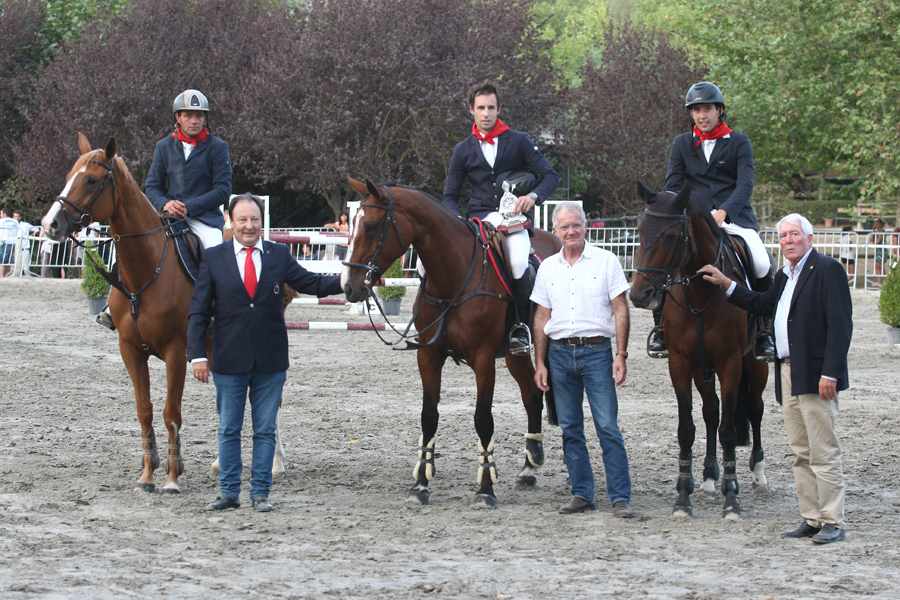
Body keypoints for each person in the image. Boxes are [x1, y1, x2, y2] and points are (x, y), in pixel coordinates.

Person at [698, 213, 852, 544]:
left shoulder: (827, 270)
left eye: (794, 235)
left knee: (823, 450)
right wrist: (727, 284)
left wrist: (831, 372)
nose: (788, 241)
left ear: (809, 238)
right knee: (800, 451)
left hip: (816, 373)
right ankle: (811, 518)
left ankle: (833, 520)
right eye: (783, 237)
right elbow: (762, 303)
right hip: (786, 370)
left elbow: (841, 327)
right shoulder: (784, 275)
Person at [188, 193, 343, 512]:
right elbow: (199, 311)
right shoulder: (214, 258)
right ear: (230, 222)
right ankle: (229, 493)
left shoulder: (278, 254)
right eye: (242, 219)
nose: (249, 225)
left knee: (265, 429)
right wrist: (197, 355)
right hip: (228, 358)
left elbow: (311, 282)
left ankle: (260, 494)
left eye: (255, 219)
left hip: (270, 360)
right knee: (228, 428)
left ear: (262, 222)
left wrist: (347, 281)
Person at [651, 81, 775, 360]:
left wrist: (724, 212)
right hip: (694, 222)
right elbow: (672, 185)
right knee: (665, 258)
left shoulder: (739, 141)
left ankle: (764, 331)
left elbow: (745, 185)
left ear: (719, 110)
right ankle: (660, 327)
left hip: (733, 218)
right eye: (696, 110)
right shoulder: (682, 143)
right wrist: (672, 211)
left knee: (761, 261)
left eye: (707, 109)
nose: (701, 115)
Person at [441, 80, 560, 355]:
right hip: (478, 221)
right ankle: (436, 324)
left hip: (512, 219)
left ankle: (520, 327)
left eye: (491, 107)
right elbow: (450, 195)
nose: (486, 113)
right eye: (480, 108)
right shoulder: (463, 149)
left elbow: (550, 175)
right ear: (471, 110)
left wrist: (533, 198)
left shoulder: (518, 140)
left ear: (499, 109)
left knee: (519, 263)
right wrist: (455, 218)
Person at [97, 89, 232, 330]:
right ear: (178, 117)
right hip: (168, 216)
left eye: (200, 116)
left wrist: (188, 207)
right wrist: (164, 204)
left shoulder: (217, 147)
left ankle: (216, 309)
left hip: (204, 219)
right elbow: (152, 186)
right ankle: (112, 304)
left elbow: (222, 190)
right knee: (134, 246)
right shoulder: (164, 146)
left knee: (214, 250)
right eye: (189, 115)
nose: (195, 120)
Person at [531, 201, 634, 518]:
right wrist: (540, 362)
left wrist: (621, 354)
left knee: (607, 427)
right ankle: (582, 494)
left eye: (575, 224)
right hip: (560, 355)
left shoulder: (606, 261)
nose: (571, 231)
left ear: (585, 226)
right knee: (571, 428)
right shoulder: (547, 267)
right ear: (555, 231)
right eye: (564, 227)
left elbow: (621, 309)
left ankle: (620, 497)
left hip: (597, 353)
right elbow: (541, 317)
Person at [0, 207, 18, 278]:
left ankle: (1, 276)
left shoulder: (1, 221)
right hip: (14, 242)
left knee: (2, 262)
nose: (0, 215)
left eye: (1, 213)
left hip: (5, 242)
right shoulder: (15, 221)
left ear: (4, 214)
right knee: (12, 261)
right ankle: (12, 276)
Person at [869, 218, 887, 285]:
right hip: (878, 250)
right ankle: (880, 281)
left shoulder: (882, 231)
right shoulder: (876, 232)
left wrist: (875, 242)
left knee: (880, 266)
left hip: (882, 250)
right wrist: (873, 231)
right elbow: (871, 239)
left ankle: (884, 281)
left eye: (877, 224)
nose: (876, 225)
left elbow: (878, 241)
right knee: (877, 266)